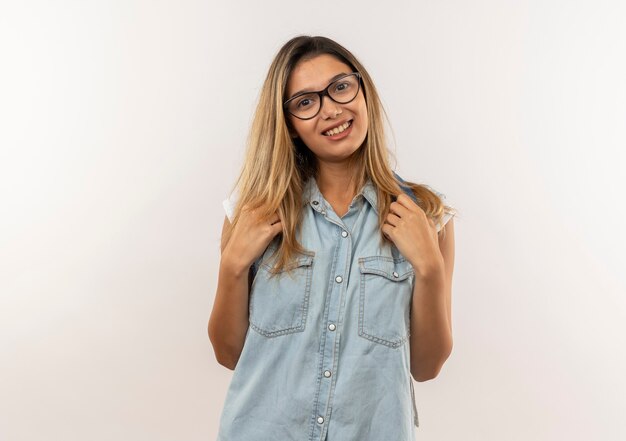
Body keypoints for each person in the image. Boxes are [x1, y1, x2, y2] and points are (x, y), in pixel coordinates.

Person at [208, 35, 457, 441]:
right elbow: (227, 353)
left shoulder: (427, 217)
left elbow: (427, 367)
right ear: (288, 124)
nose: (330, 110)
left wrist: (429, 268)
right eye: (306, 102)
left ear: (364, 92)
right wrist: (232, 266)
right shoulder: (253, 215)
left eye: (340, 87)